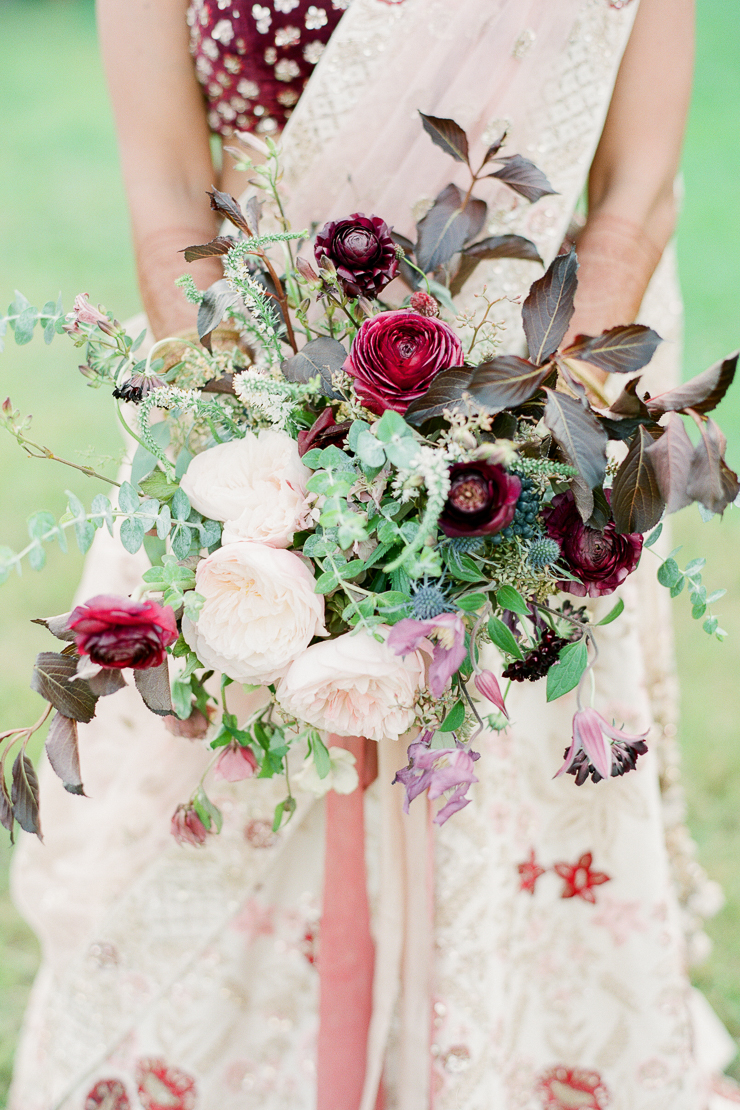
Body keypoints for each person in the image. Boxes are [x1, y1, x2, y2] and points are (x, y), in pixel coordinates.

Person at [9, 1, 737, 1108]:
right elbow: (166, 188)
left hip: (517, 458)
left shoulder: (519, 458)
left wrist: (516, 452)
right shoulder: (243, 450)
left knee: (500, 821)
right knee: (204, 823)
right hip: (245, 429)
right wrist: (254, 467)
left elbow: (631, 194)